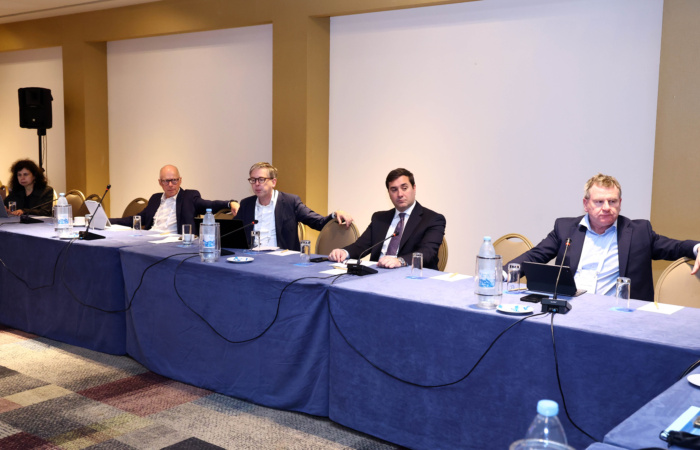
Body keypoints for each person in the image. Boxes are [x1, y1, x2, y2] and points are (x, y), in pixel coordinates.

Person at [508, 173, 700, 301]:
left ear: (620, 203)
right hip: (569, 309)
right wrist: (502, 274)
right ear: (586, 204)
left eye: (612, 201)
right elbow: (535, 256)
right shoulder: (565, 228)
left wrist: (697, 248)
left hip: (617, 316)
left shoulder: (638, 231)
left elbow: (675, 247)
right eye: (599, 202)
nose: (607, 207)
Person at [329, 168, 446, 270]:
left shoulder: (433, 219)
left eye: (404, 188)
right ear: (389, 193)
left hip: (411, 277)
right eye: (394, 190)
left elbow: (427, 252)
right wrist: (343, 252)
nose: (400, 194)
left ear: (414, 188)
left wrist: (400, 261)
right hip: (376, 274)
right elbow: (360, 246)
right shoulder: (379, 218)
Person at [234, 162, 353, 251]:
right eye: (253, 180)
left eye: (261, 179)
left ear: (273, 182)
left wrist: (335, 214)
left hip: (282, 261)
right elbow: (233, 233)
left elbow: (318, 222)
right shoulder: (246, 204)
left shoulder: (290, 202)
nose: (256, 184)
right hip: (251, 259)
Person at [110, 165, 238, 234]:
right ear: (160, 182)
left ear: (180, 180)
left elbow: (210, 204)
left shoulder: (189, 197)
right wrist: (110, 221)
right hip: (150, 239)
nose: (171, 185)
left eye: (174, 180)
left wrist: (230, 203)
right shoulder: (155, 198)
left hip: (173, 243)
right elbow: (138, 218)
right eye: (166, 181)